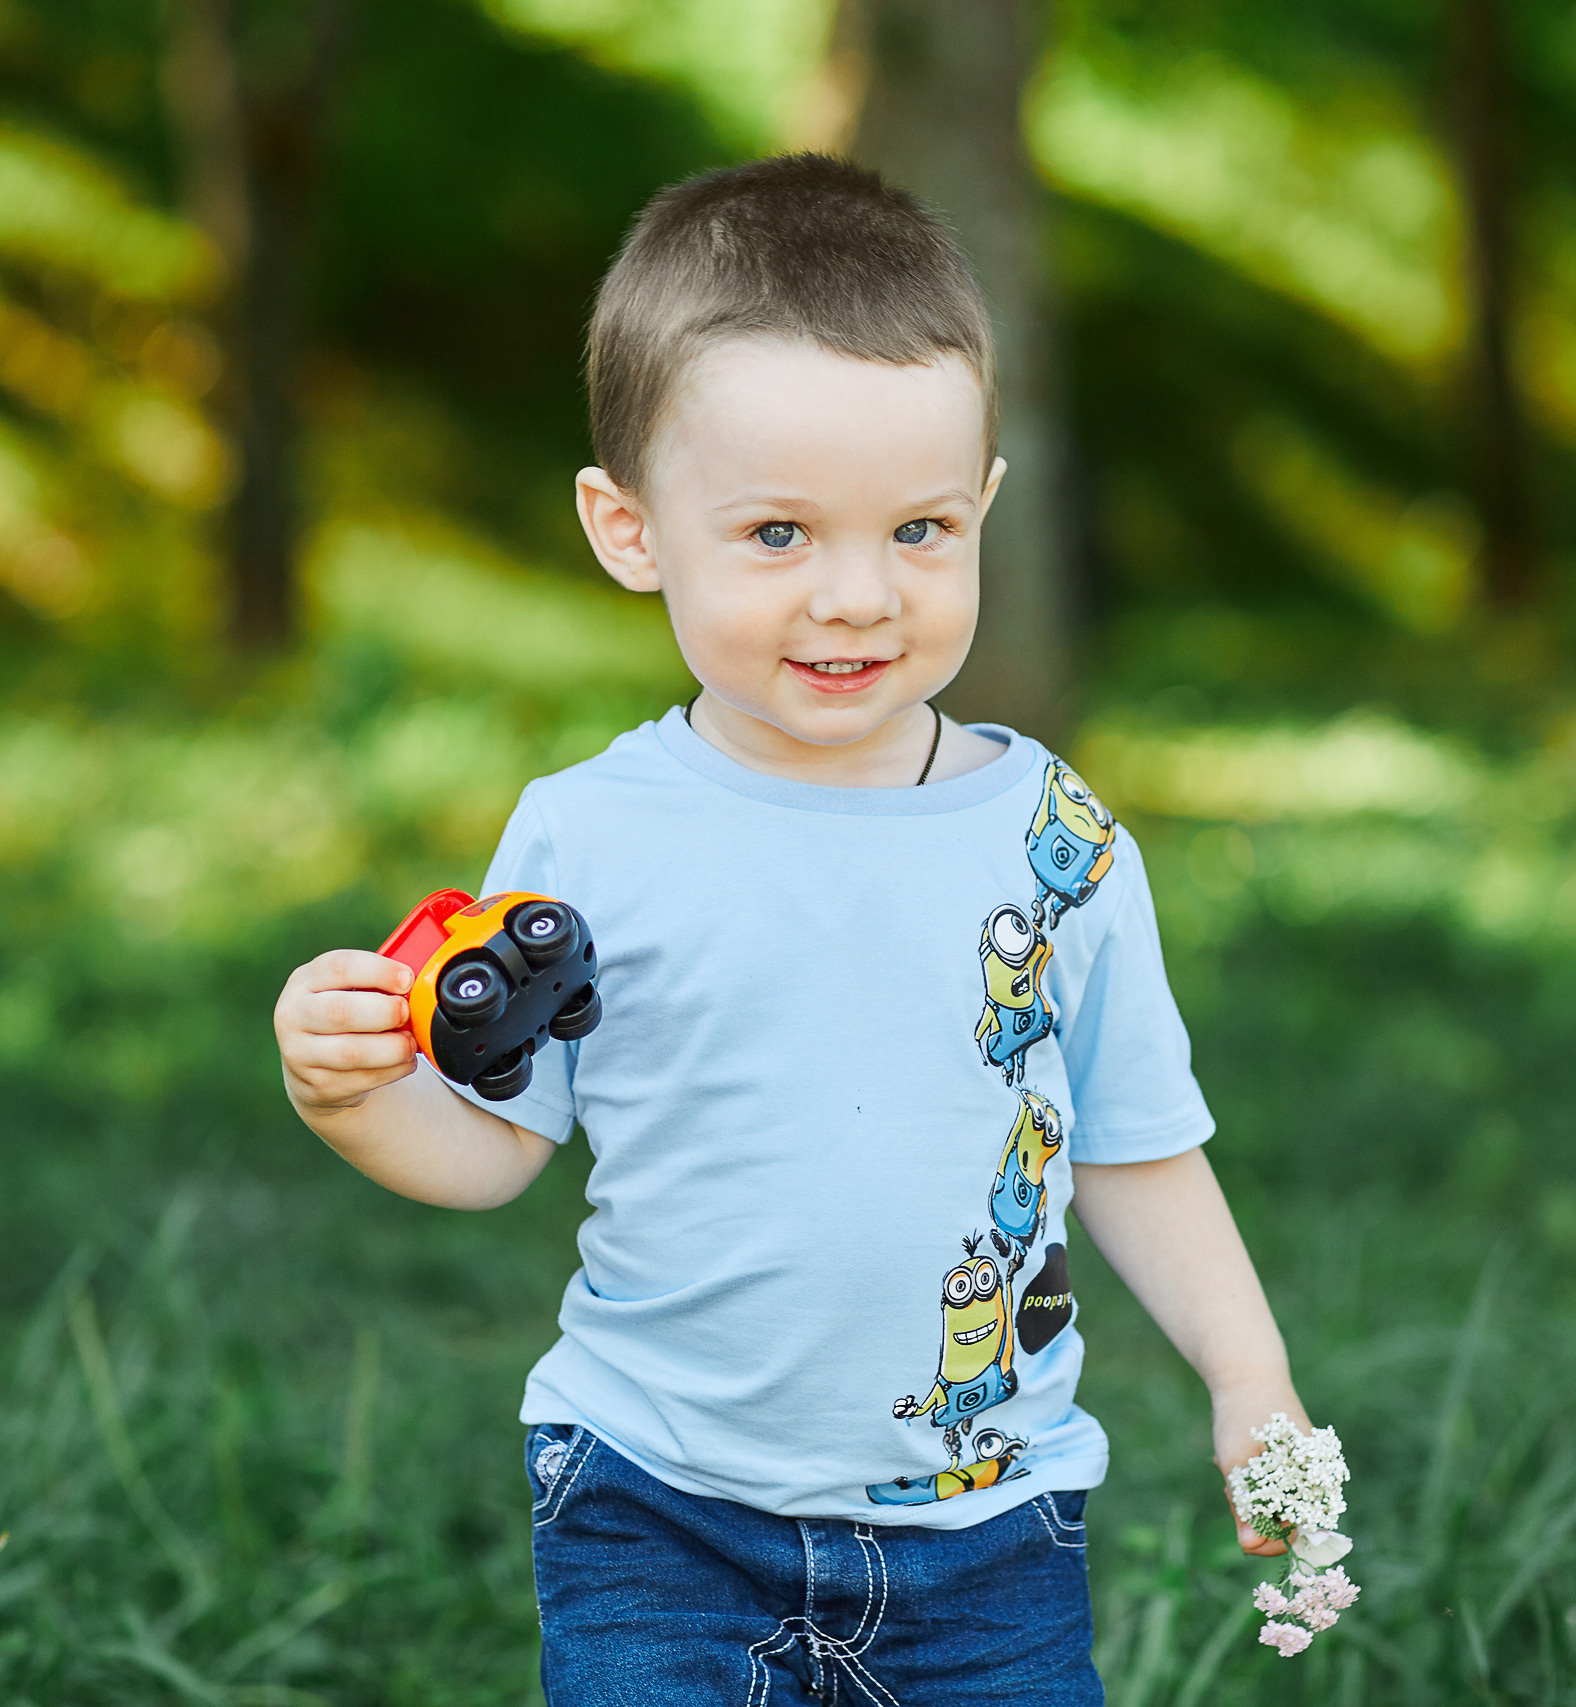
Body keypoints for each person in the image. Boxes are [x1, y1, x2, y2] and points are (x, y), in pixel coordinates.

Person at [273, 153, 1314, 1704]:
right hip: (655, 1510)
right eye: (776, 535)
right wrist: (356, 1094)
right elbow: (494, 1149)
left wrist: (1251, 1377)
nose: (855, 597)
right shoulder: (592, 834)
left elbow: (1132, 1142)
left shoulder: (1057, 846)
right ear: (628, 529)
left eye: (920, 530)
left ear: (990, 509)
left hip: (990, 1530)